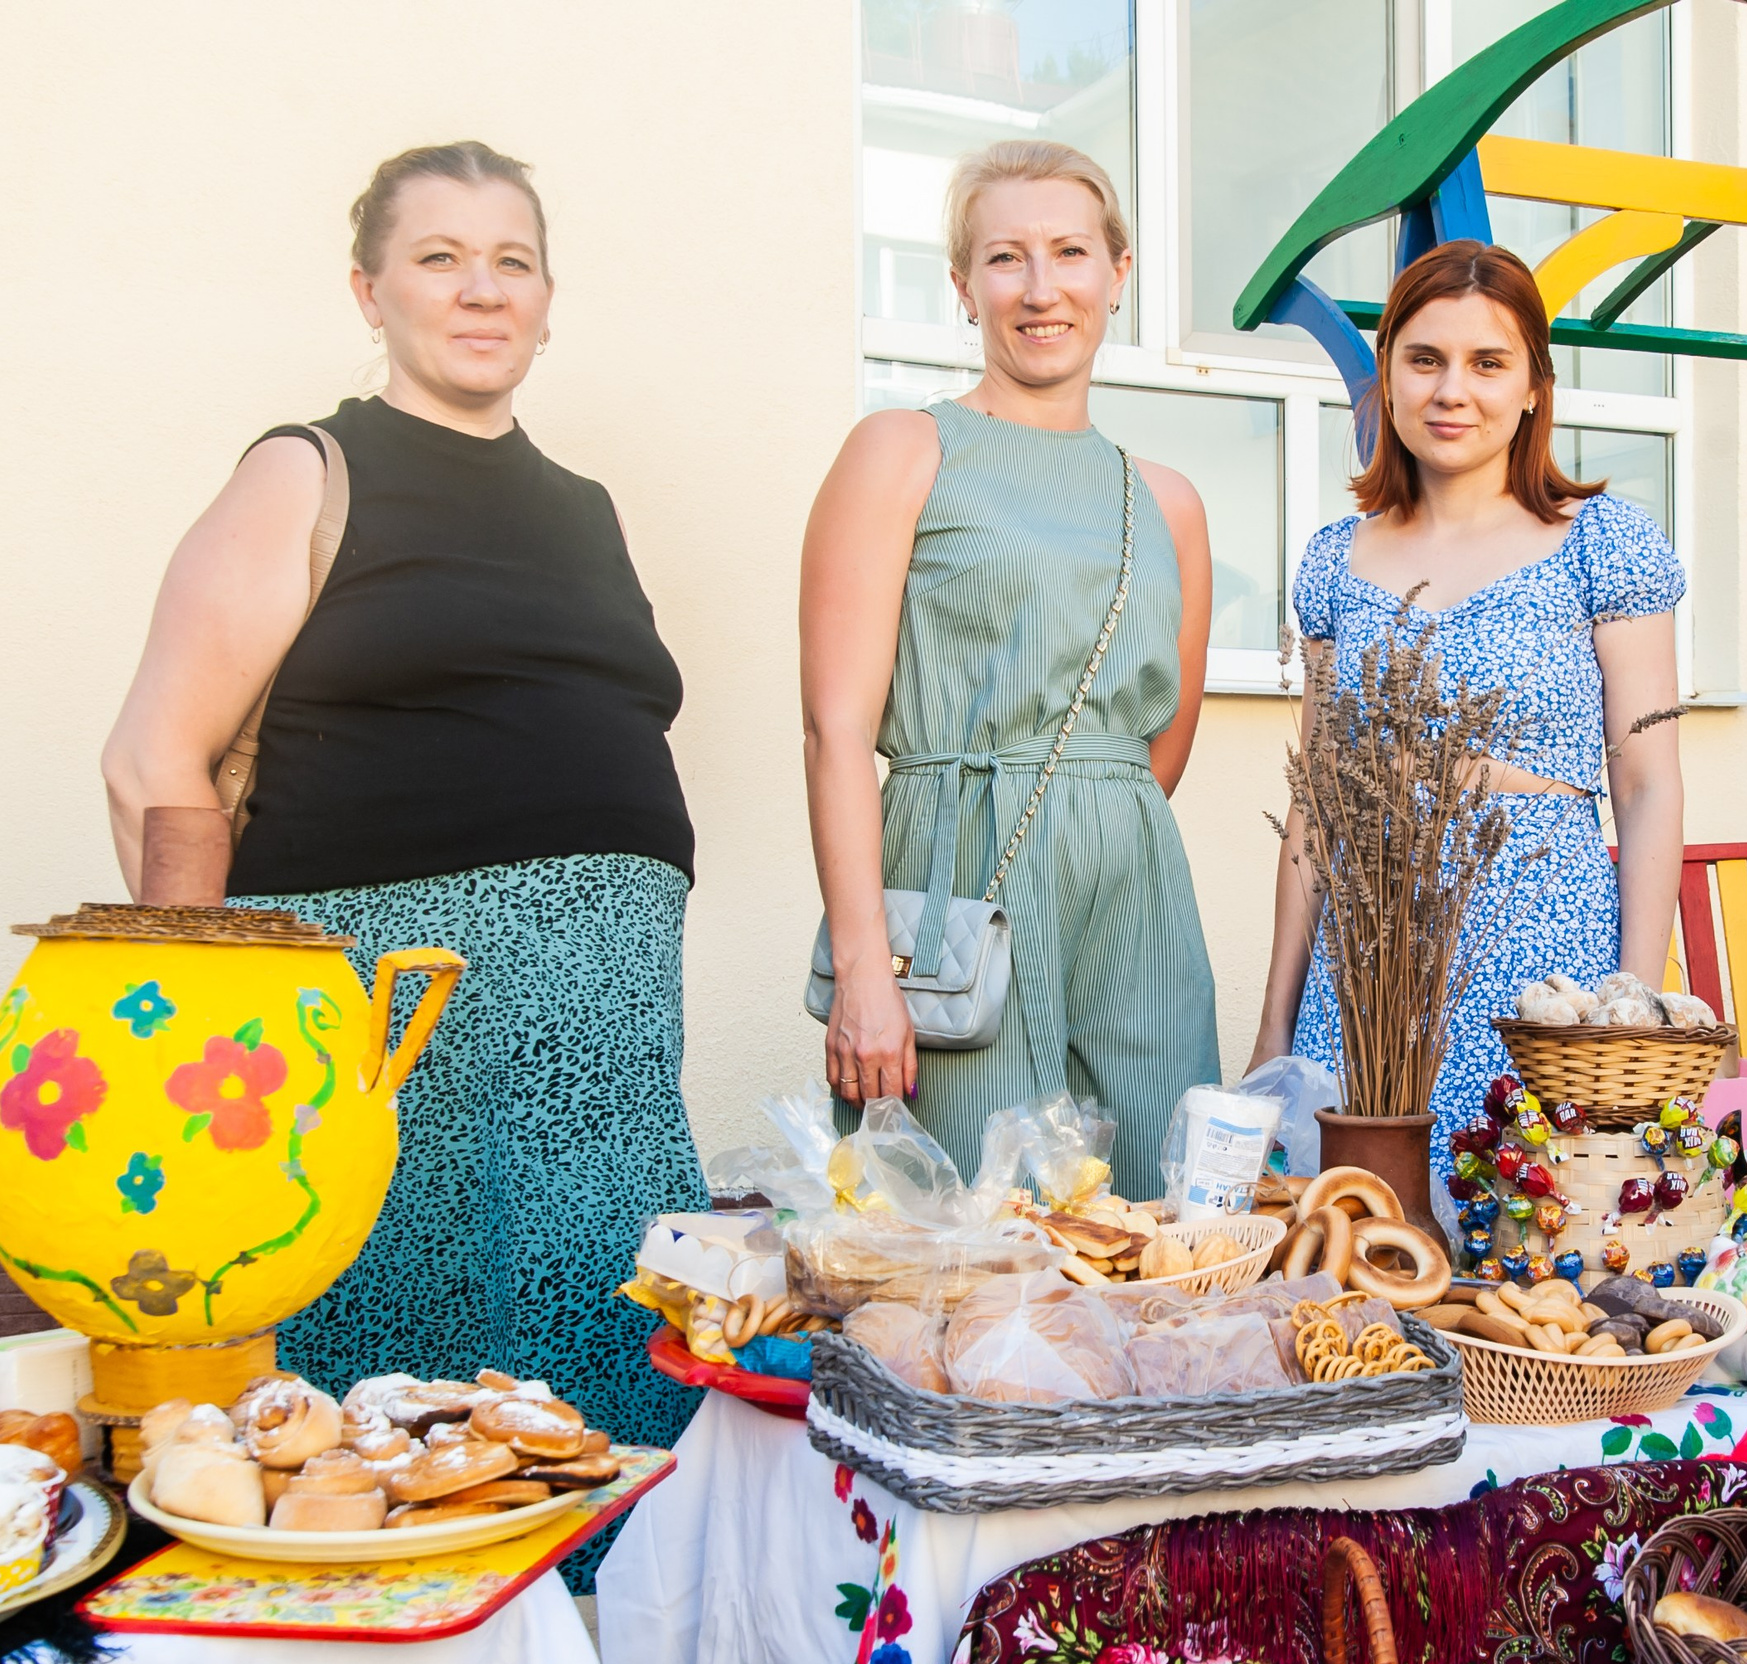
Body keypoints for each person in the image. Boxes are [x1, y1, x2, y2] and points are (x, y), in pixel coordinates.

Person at [100, 143, 704, 1552]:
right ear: (369, 291)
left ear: (550, 299)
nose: (479, 291)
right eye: (439, 258)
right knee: (386, 1401)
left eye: (512, 261)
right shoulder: (307, 469)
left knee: (599, 1394)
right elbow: (154, 760)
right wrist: (185, 1039)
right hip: (390, 1028)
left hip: (603, 1057)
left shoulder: (586, 507)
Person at [801, 139, 1220, 1201]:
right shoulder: (903, 447)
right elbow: (835, 728)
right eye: (1005, 259)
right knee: (954, 1230)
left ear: (1117, 272)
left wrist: (1084, 824)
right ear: (962, 285)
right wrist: (864, 968)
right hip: (954, 877)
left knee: (1153, 1217)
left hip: (1132, 892)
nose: (1041, 290)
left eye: (1070, 252)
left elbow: (1158, 746)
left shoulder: (1164, 501)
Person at [1248, 240, 1685, 1209]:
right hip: (1366, 981)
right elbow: (1315, 812)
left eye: (1487, 363)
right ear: (1389, 379)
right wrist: (1275, 1025)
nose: (1453, 390)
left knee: (1530, 1250)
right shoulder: (1334, 562)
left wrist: (1627, 1012)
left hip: (1542, 959)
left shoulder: (1601, 546)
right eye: (1423, 358)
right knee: (1360, 1247)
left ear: (1534, 387)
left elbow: (1648, 786)